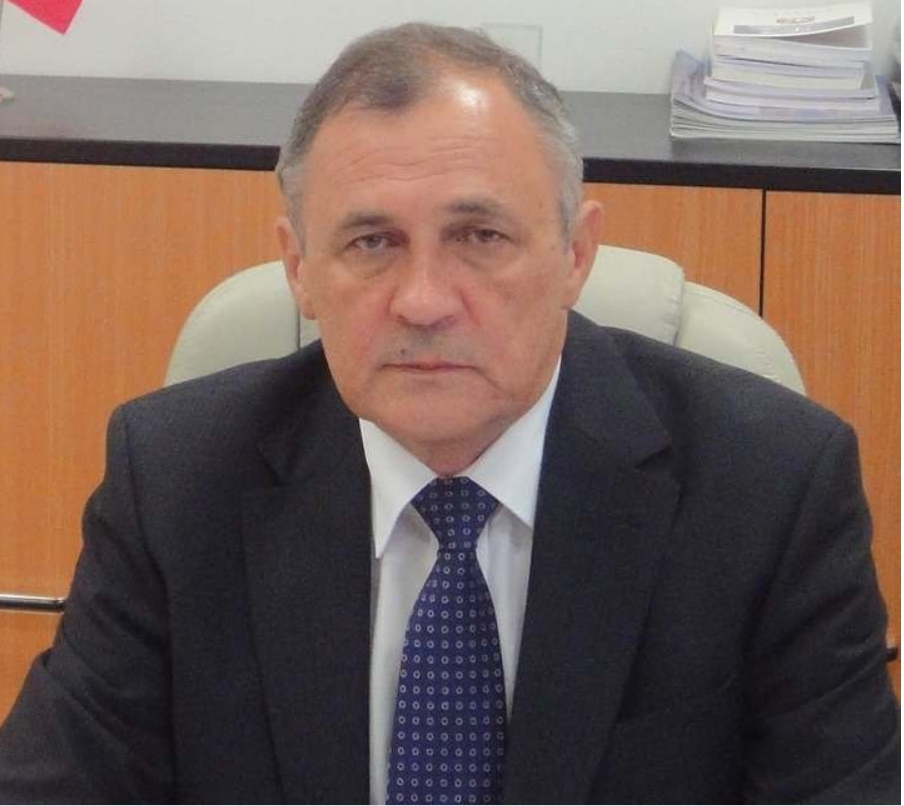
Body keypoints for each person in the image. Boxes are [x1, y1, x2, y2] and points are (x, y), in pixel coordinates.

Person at [0, 22, 898, 805]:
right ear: (300, 269)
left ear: (576, 254)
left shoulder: (770, 489)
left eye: (480, 237)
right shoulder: (174, 482)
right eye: (372, 242)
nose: (424, 301)